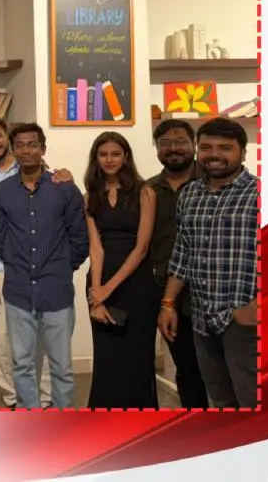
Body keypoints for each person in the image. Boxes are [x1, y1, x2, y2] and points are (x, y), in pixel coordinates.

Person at [0, 117, 73, 408]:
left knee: (43, 343)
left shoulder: (31, 165)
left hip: (38, 271)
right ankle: (15, 399)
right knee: (2, 341)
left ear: (8, 139)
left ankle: (45, 399)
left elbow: (60, 211)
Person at [157, 118, 260, 409]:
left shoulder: (260, 193)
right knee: (221, 400)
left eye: (225, 148)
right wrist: (168, 303)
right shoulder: (189, 194)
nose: (214, 154)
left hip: (245, 322)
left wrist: (256, 307)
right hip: (202, 320)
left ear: (243, 152)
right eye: (206, 147)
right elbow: (182, 253)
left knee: (252, 401)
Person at [0, 123, 90, 409]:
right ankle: (30, 419)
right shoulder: (1, 192)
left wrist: (61, 268)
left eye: (32, 144)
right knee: (21, 363)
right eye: (19, 145)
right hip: (19, 291)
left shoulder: (65, 189)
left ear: (42, 149)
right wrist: (17, 263)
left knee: (62, 366)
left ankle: (61, 420)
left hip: (57, 290)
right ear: (13, 150)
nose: (26, 150)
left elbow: (79, 238)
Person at [83, 131, 157, 408]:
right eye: (103, 154)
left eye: (115, 154)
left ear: (126, 157)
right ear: (96, 159)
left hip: (136, 282)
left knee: (138, 356)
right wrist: (97, 292)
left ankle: (142, 419)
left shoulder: (145, 192)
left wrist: (108, 288)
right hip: (100, 278)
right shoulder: (90, 196)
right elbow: (95, 247)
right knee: (107, 356)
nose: (109, 159)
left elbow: (142, 247)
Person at [142, 120, 209, 408]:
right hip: (166, 292)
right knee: (187, 367)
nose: (173, 148)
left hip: (211, 290)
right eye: (165, 143)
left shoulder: (213, 182)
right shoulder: (148, 189)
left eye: (180, 141)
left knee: (219, 367)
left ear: (193, 144)